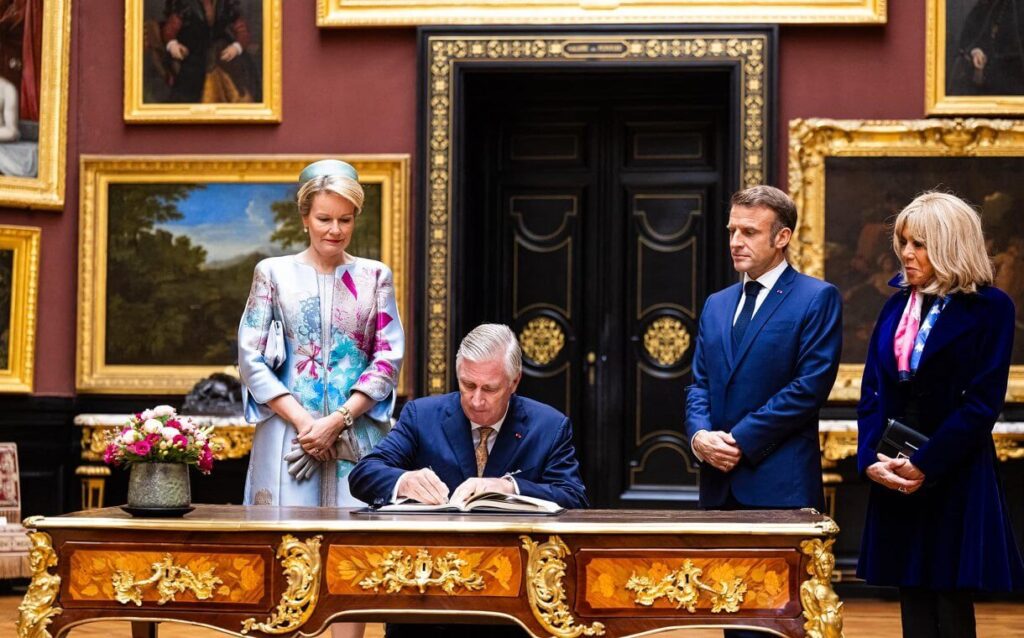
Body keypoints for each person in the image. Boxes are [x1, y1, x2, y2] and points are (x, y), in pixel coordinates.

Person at [238, 159, 403, 638]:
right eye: (325, 218)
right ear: (305, 217)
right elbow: (251, 358)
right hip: (289, 440)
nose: (335, 230)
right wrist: (307, 425)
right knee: (287, 554)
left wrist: (340, 420)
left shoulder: (375, 277)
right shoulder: (272, 273)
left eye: (345, 219)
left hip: (358, 436)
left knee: (353, 559)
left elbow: (389, 357)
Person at [856, 192, 1024, 638]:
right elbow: (873, 390)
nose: (906, 254)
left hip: (954, 469)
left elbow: (983, 403)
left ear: (951, 245)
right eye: (904, 242)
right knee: (911, 596)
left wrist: (925, 462)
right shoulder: (896, 305)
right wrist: (871, 459)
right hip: (894, 466)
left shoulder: (992, 308)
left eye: (920, 244)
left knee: (951, 603)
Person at [349, 323, 586, 638]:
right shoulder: (423, 415)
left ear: (514, 382)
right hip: (426, 603)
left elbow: (574, 498)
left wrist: (508, 488)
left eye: (489, 389)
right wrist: (404, 481)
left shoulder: (549, 426)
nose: (476, 400)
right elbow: (363, 475)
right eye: (467, 385)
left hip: (515, 606)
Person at [160, 0, 258, 103]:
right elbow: (169, 30)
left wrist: (236, 47)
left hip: (221, 49)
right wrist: (173, 44)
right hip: (193, 50)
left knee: (244, 68)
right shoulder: (186, 4)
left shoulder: (226, 3)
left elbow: (242, 29)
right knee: (190, 80)